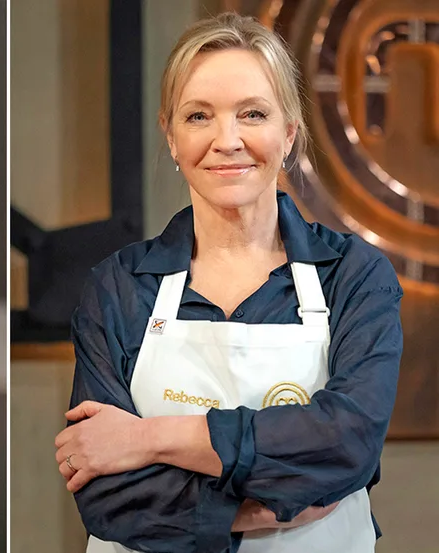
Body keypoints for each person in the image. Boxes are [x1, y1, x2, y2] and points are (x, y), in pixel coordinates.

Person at [53, 12, 402, 553]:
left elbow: (345, 443)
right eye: (198, 116)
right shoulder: (118, 287)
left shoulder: (353, 276)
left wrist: (147, 439)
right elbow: (105, 491)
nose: (227, 140)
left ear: (289, 132)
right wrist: (255, 513)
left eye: (253, 114)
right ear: (170, 137)